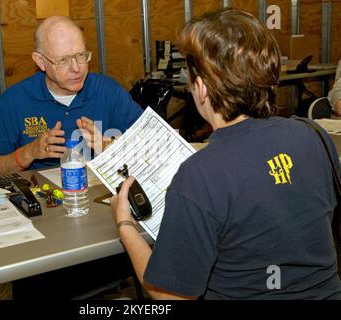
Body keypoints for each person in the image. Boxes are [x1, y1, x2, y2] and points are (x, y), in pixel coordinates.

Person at [111, 8, 341, 299]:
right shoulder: (315, 136)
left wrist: (125, 224)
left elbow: (170, 295)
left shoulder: (199, 173)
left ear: (202, 88)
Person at [0, 16, 143, 177]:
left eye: (81, 56)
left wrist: (109, 147)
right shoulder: (15, 100)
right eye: (63, 60)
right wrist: (28, 153)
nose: (76, 68)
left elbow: (157, 145)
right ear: (40, 61)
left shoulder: (108, 91)